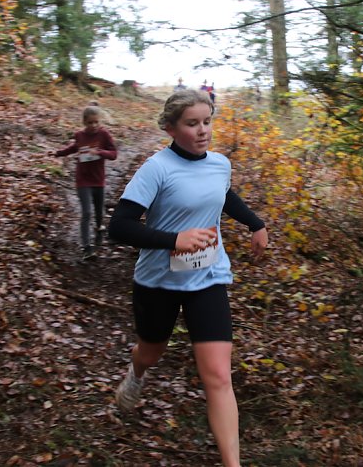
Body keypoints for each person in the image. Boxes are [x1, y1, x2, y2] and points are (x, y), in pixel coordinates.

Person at [108, 89, 268, 467]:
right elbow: (119, 227)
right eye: (192, 123)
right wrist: (173, 241)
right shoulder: (157, 169)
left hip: (208, 276)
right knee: (152, 351)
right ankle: (136, 373)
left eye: (207, 122)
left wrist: (254, 223)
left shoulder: (219, 164)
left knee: (217, 374)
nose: (202, 131)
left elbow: (223, 196)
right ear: (170, 128)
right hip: (158, 281)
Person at [50, 104, 118, 259]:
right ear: (84, 122)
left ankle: (99, 226)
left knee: (99, 210)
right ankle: (86, 246)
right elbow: (74, 147)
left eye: (96, 122)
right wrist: (58, 153)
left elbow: (114, 154)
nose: (93, 125)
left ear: (99, 121)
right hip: (83, 179)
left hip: (98, 179)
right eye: (90, 123)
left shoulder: (104, 134)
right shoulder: (79, 135)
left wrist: (100, 152)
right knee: (87, 212)